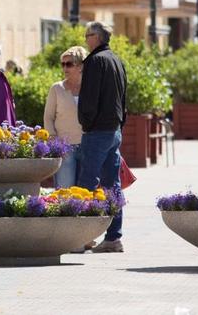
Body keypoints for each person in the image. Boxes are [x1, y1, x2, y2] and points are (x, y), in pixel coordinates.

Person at [77, 21, 127, 253]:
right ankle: (113, 237)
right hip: (114, 128)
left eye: (88, 35)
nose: (86, 39)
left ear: (96, 37)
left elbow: (89, 99)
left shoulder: (96, 61)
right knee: (112, 185)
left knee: (86, 183)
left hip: (98, 130)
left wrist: (86, 123)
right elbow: (123, 95)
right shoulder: (116, 59)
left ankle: (80, 237)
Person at [43, 45, 86, 188]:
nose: (65, 68)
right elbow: (48, 117)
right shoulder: (57, 88)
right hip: (65, 148)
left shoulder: (91, 88)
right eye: (63, 64)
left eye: (69, 64)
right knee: (64, 192)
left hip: (88, 145)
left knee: (86, 192)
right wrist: (54, 140)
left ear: (80, 66)